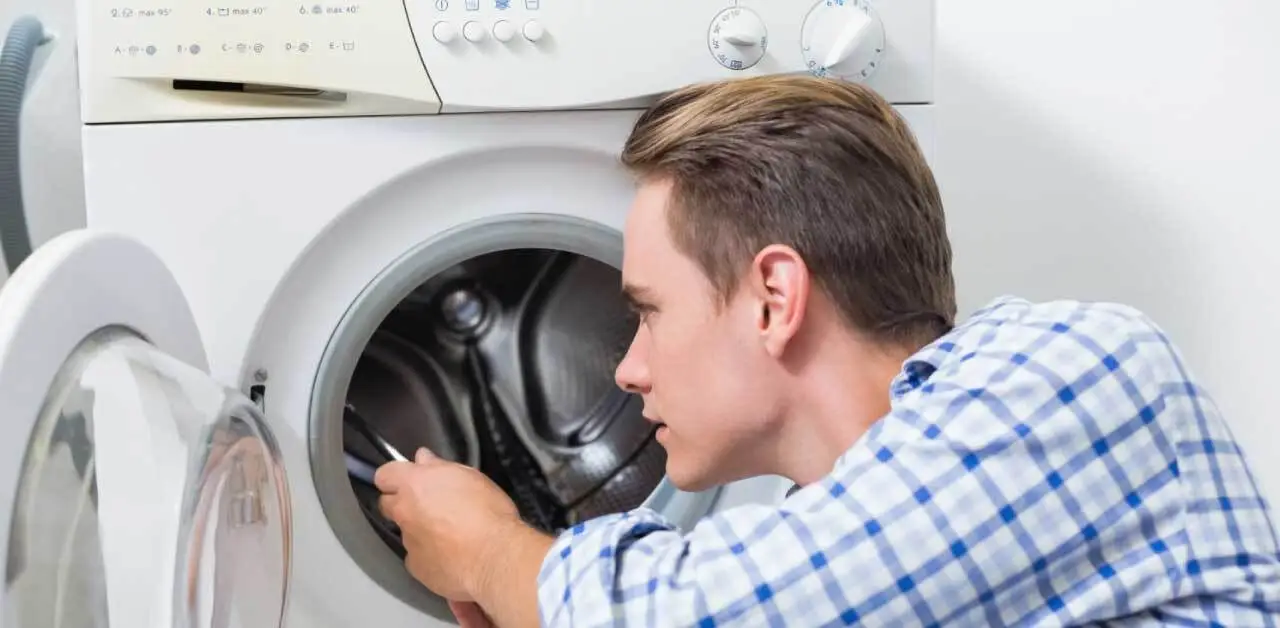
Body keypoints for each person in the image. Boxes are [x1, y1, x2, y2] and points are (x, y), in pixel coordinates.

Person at [374, 75, 1280, 626]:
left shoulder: (1077, 368)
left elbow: (684, 614)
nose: (627, 369)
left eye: (647, 313)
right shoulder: (854, 554)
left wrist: (490, 550)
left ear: (775, 298)